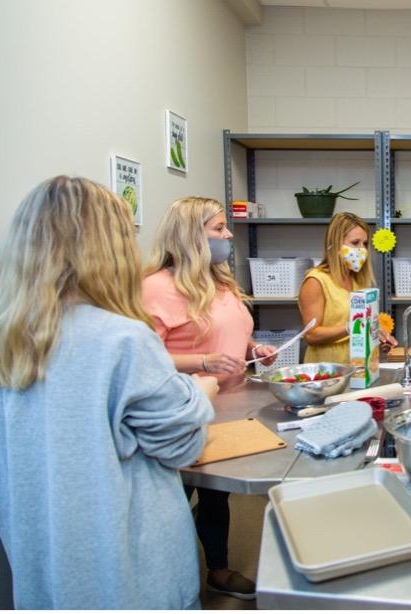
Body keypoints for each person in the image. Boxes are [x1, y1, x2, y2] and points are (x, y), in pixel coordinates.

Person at [0, 176, 216, 609]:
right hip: (131, 571)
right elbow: (181, 445)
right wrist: (199, 392)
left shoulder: (4, 341)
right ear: (107, 249)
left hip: (48, 568)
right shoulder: (122, 339)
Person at [143, 196, 277, 600]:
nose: (227, 235)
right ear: (189, 234)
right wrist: (201, 360)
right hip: (180, 415)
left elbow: (227, 330)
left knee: (217, 496)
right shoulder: (155, 289)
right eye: (218, 228)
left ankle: (217, 569)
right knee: (172, 505)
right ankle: (162, 587)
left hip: (227, 410)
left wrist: (252, 347)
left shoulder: (219, 280)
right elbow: (142, 360)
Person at [299, 212, 396, 364]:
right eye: (355, 242)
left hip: (357, 368)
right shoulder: (316, 281)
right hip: (328, 370)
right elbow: (311, 335)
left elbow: (362, 323)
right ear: (336, 244)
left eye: (364, 244)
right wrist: (351, 327)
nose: (361, 249)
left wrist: (377, 333)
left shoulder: (358, 280)